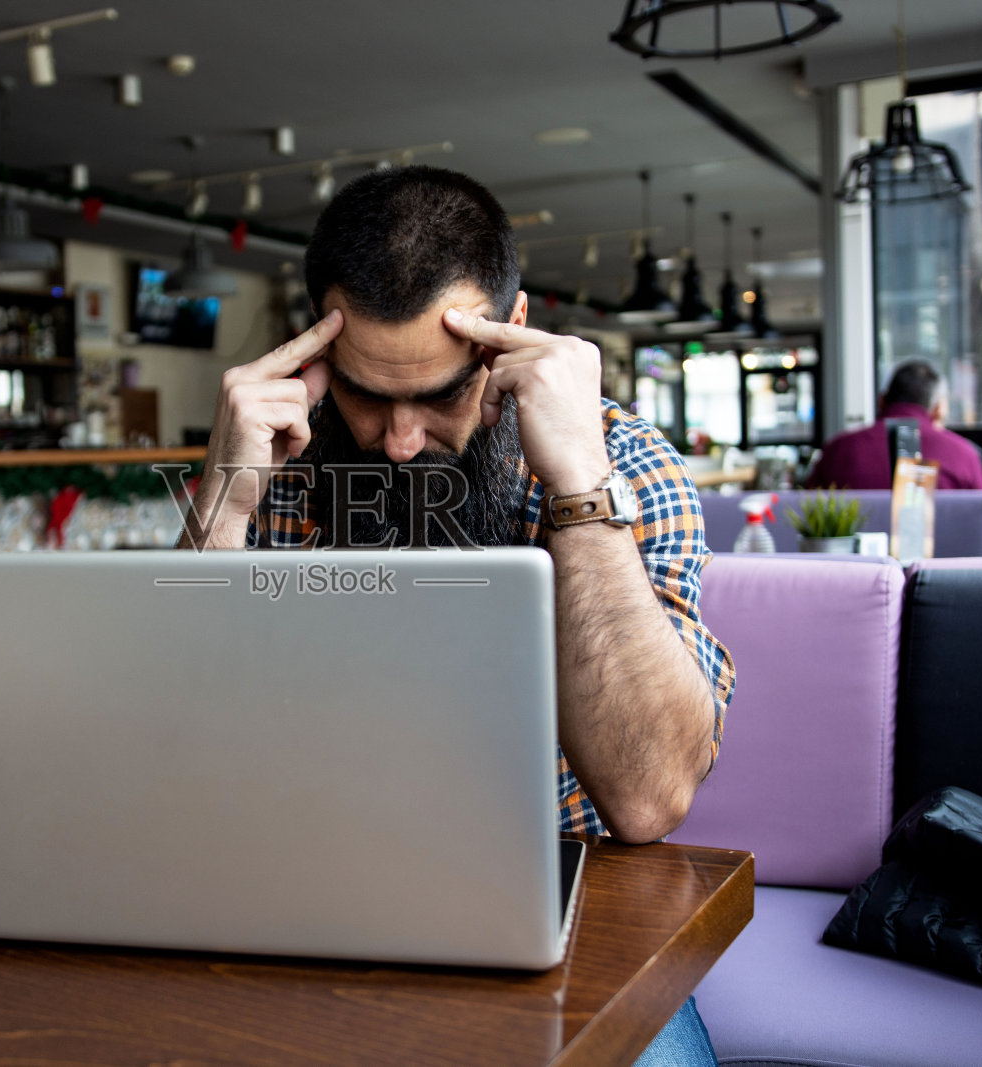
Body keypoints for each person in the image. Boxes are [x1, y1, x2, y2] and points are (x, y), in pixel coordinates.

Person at [176, 167, 734, 1065]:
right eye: (362, 392)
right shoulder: (283, 460)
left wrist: (579, 489)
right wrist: (225, 503)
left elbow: (646, 796)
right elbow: (177, 746)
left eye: (438, 395)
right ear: (314, 353)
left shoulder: (620, 456)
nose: (399, 441)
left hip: (566, 899)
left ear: (510, 336)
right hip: (311, 887)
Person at [807, 360, 982, 490]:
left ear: (882, 400)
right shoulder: (962, 454)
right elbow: (981, 521)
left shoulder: (837, 449)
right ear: (938, 408)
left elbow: (807, 513)